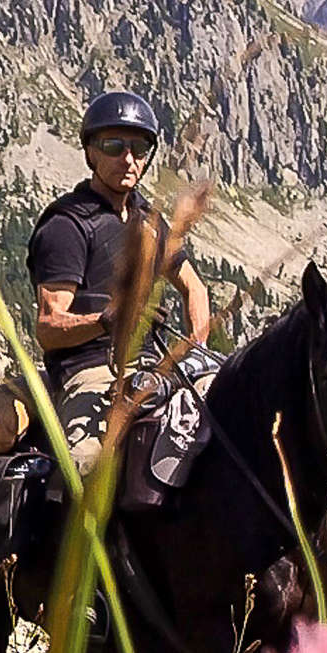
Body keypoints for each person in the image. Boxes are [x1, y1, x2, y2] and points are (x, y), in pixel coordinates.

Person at [26, 90, 212, 474]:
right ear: (90, 152)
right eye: (113, 146)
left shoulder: (150, 221)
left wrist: (196, 347)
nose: (128, 159)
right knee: (87, 465)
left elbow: (195, 287)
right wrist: (109, 319)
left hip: (155, 364)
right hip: (91, 370)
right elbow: (49, 328)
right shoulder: (67, 224)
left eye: (139, 147)